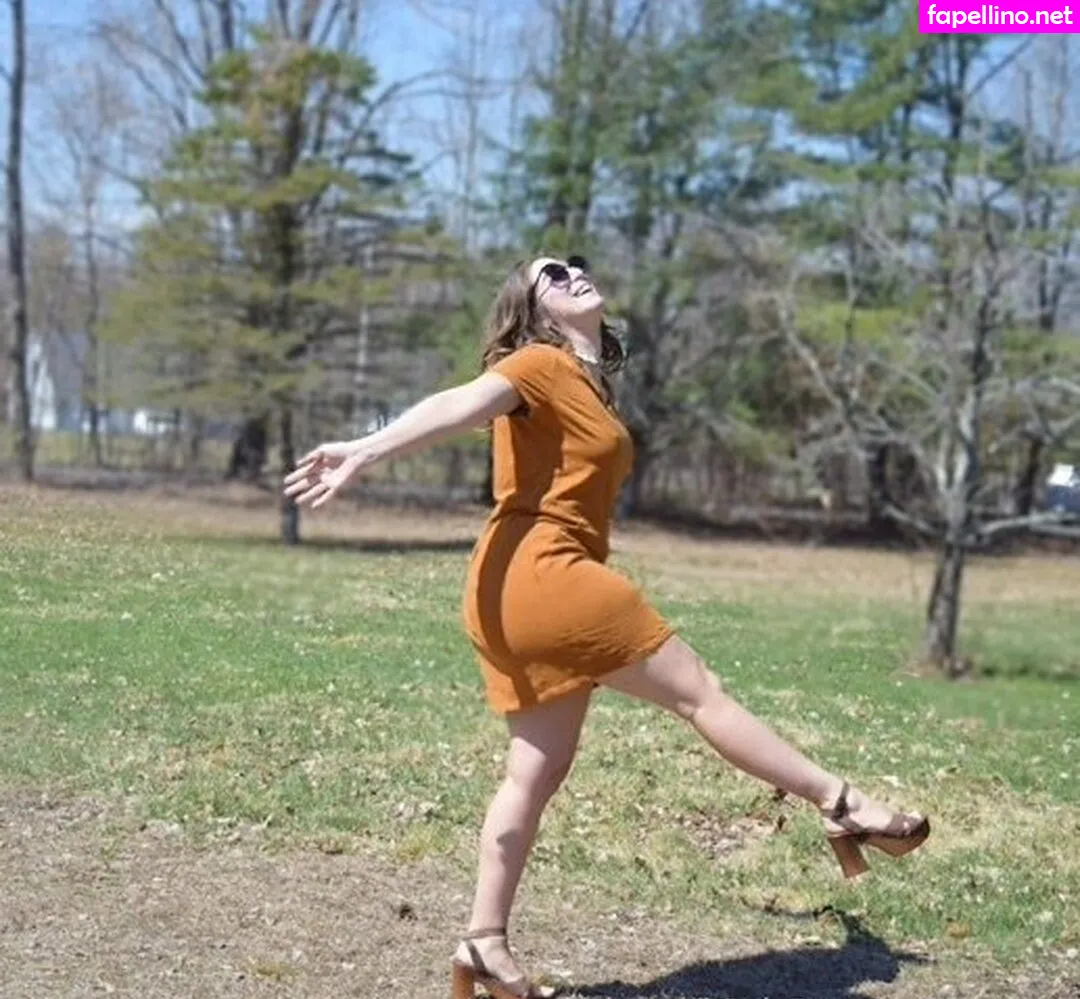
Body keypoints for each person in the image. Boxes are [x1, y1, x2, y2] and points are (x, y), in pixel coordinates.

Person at [283, 256, 930, 999]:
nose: (574, 274)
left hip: (510, 584)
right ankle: (844, 804)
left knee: (535, 771)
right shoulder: (539, 365)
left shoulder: (589, 381)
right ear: (534, 311)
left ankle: (484, 940)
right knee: (700, 693)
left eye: (577, 266)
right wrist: (365, 450)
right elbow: (462, 401)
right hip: (546, 572)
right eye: (553, 276)